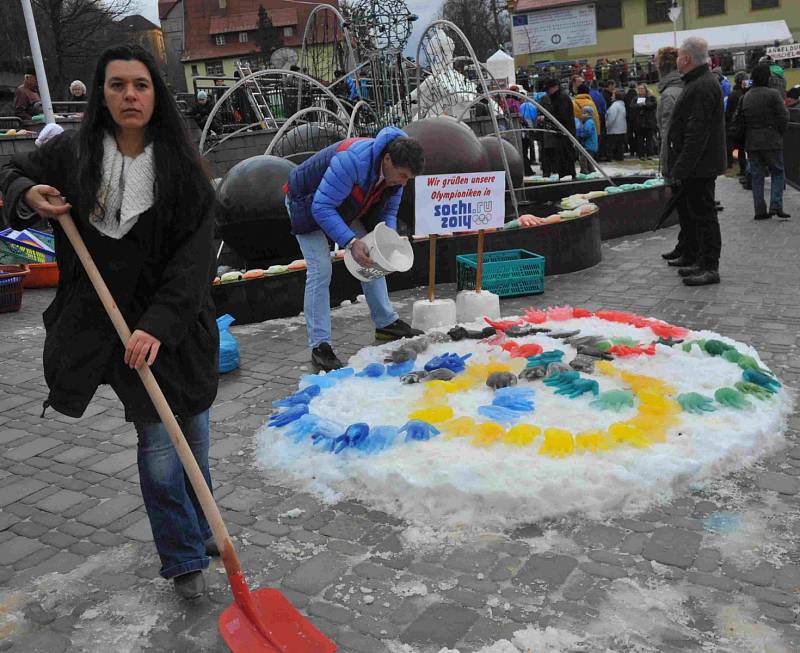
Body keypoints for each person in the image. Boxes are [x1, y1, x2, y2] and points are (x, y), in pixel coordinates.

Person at [0, 45, 219, 600]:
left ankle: (205, 526)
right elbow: (7, 167)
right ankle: (184, 559)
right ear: (101, 92)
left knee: (193, 431)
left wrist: (161, 324)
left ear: (155, 95)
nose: (129, 95)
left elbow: (195, 260)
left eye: (140, 85)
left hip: (178, 325)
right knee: (161, 448)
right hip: (116, 330)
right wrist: (25, 192)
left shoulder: (182, 168)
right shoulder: (73, 157)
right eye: (117, 84)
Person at [285, 127, 426, 370]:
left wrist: (388, 238)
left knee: (372, 252)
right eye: (402, 176)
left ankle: (386, 323)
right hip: (307, 202)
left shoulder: (396, 172)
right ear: (388, 160)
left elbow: (389, 209)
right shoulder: (352, 161)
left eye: (407, 179)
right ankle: (320, 346)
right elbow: (321, 208)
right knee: (321, 270)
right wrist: (350, 242)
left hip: (345, 204)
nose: (403, 182)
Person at [665, 37, 726, 287]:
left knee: (704, 215)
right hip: (698, 165)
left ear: (687, 58)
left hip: (699, 166)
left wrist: (681, 168)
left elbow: (696, 134)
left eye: (679, 56)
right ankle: (700, 260)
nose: (677, 60)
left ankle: (710, 266)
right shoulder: (698, 82)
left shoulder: (701, 86)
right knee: (698, 214)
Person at [733, 63, 790, 221]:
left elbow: (739, 120)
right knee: (778, 172)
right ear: (767, 78)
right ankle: (776, 204)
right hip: (772, 139)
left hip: (752, 141)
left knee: (757, 176)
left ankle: (759, 209)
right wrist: (779, 131)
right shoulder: (773, 94)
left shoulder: (746, 97)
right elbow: (783, 116)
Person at [655, 47, 685, 262]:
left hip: (678, 161)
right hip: (686, 159)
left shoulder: (669, 94)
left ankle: (688, 249)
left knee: (685, 209)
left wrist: (667, 168)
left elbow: (668, 135)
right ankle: (684, 245)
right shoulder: (683, 87)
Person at [538, 78, 576, 178]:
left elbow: (562, 116)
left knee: (565, 156)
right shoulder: (558, 97)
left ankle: (567, 176)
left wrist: (547, 117)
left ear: (555, 87)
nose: (548, 92)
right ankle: (565, 175)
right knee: (561, 156)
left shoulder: (561, 98)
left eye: (549, 89)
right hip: (560, 132)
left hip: (564, 132)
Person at [725, 72, 749, 176]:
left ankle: (742, 169)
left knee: (740, 148)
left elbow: (729, 112)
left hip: (736, 125)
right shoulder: (748, 93)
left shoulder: (732, 94)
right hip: (747, 124)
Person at [629, 83, 657, 160]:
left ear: (645, 89)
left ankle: (649, 154)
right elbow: (632, 106)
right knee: (640, 139)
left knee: (649, 139)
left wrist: (645, 105)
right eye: (639, 89)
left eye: (642, 89)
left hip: (649, 122)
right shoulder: (635, 98)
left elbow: (654, 105)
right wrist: (639, 105)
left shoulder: (651, 97)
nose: (640, 90)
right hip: (639, 122)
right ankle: (640, 154)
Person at [518, 91, 538, 175]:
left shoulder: (520, 106)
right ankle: (531, 162)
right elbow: (534, 117)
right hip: (529, 130)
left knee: (524, 151)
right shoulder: (532, 105)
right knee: (529, 147)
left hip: (523, 132)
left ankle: (528, 167)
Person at [605, 90, 627, 161]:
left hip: (614, 129)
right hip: (622, 128)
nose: (611, 97)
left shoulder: (614, 106)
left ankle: (610, 158)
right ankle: (620, 157)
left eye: (613, 95)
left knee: (611, 146)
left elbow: (611, 118)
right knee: (620, 146)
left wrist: (607, 125)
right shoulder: (622, 105)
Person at [576, 106, 598, 173]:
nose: (582, 115)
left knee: (583, 159)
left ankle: (584, 171)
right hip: (590, 145)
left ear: (589, 114)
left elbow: (587, 132)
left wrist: (580, 135)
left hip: (588, 145)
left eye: (584, 113)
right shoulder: (588, 122)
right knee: (589, 159)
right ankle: (591, 171)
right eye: (582, 113)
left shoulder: (589, 122)